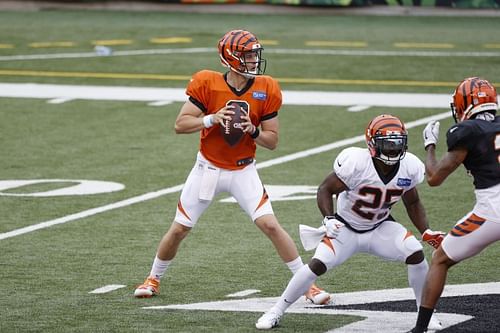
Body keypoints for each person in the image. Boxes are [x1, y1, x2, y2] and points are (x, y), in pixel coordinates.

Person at [134, 29, 330, 305]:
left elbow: (272, 141)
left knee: (271, 225)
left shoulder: (267, 87)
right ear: (232, 57)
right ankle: (152, 278)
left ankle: (307, 284)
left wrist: (252, 131)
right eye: (249, 55)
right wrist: (211, 119)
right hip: (208, 170)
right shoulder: (207, 83)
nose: (254, 60)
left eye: (254, 55)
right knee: (180, 228)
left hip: (243, 170)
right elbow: (180, 124)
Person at [256, 114, 444, 330]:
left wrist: (426, 230)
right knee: (317, 265)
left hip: (379, 227)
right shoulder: (357, 162)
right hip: (345, 228)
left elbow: (413, 202)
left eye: (397, 143)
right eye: (387, 144)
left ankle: (426, 314)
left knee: (415, 252)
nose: (392, 149)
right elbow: (325, 189)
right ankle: (276, 310)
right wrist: (328, 218)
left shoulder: (409, 166)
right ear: (372, 143)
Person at [409, 77, 500, 333]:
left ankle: (420, 328)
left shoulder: (467, 131)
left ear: (463, 103)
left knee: (440, 259)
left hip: (492, 210)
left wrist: (429, 145)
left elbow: (434, 177)